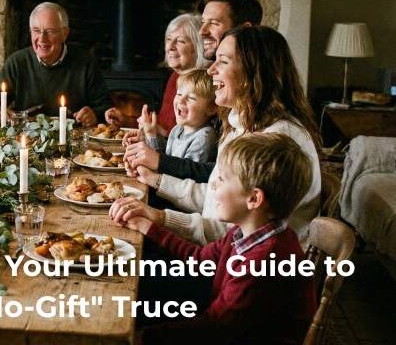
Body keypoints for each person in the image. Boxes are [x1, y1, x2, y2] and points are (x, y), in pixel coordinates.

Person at [111, 25, 321, 246]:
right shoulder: (242, 124)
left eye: (223, 61)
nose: (211, 70)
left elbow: (231, 235)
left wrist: (159, 218)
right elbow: (215, 198)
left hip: (249, 270)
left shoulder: (276, 140)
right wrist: (156, 180)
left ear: (253, 74)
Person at [116, 133, 317, 343]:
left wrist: (142, 337)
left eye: (221, 180)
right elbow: (201, 257)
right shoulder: (246, 233)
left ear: (254, 199)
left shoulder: (262, 263)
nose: (212, 187)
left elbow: (214, 327)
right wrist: (149, 227)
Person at [123, 0, 264, 183]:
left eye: (213, 23)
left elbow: (217, 176)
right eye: (203, 22)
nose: (202, 31)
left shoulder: (247, 96)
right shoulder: (211, 83)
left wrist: (158, 164)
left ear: (245, 30)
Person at [0, 2, 110, 127]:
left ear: (65, 34)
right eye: (36, 30)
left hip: (73, 141)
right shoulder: (17, 62)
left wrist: (94, 115)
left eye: (50, 31)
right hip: (26, 141)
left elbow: (107, 111)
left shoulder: (85, 62)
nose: (42, 39)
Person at [106, 13, 207, 135]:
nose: (170, 46)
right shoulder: (175, 77)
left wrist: (155, 131)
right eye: (169, 39)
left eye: (180, 41)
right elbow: (161, 125)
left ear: (197, 47)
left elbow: (183, 140)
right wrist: (126, 121)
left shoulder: (201, 85)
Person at [140, 68, 218, 164]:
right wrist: (148, 135)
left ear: (211, 108)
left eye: (191, 98)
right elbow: (165, 158)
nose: (181, 100)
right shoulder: (178, 129)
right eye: (179, 94)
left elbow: (183, 172)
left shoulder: (204, 137)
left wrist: (151, 136)